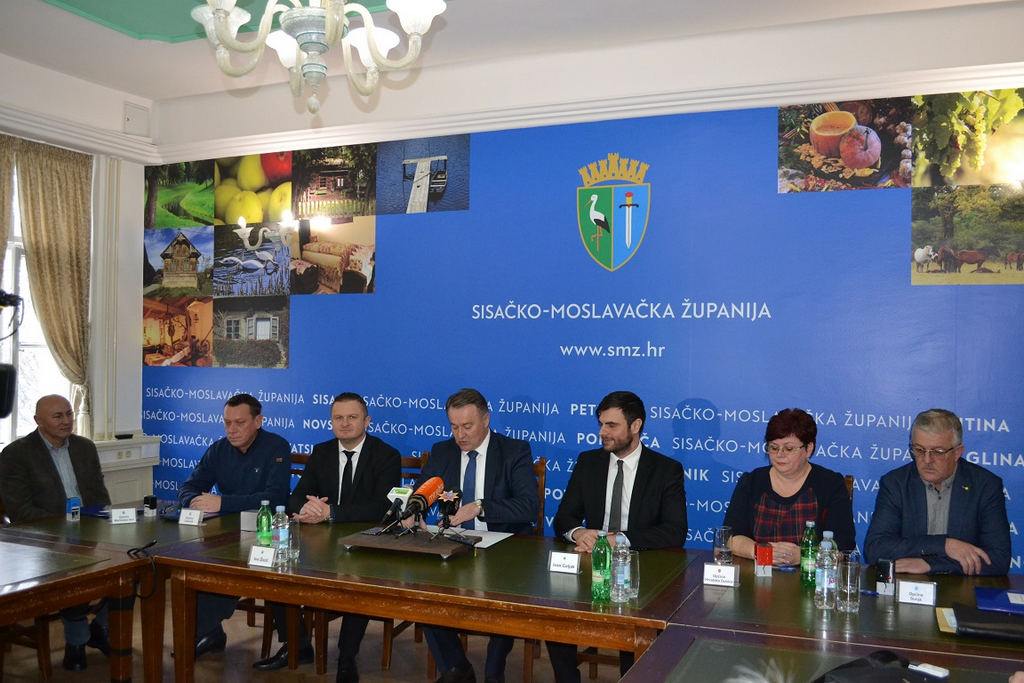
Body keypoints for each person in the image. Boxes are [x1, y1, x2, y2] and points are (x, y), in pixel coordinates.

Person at [253, 392, 400, 683]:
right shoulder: (321, 452)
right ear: (331, 422)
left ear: (367, 421)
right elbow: (295, 497)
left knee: (360, 579)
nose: (344, 423)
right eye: (338, 418)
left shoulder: (386, 455)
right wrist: (307, 508)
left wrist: (331, 512)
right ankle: (297, 645)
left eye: (352, 417)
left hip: (366, 541)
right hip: (320, 539)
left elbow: (384, 507)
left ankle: (347, 656)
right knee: (279, 569)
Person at [546, 390, 686, 683]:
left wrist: (619, 539)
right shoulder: (588, 462)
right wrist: (579, 532)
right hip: (589, 567)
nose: (602, 432)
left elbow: (675, 531)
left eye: (611, 425)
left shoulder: (665, 470)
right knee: (554, 614)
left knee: (635, 631)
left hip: (639, 571)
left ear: (635, 426)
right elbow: (563, 518)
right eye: (601, 424)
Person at [416, 388, 539, 683]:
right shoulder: (443, 451)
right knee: (423, 592)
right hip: (453, 544)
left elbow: (528, 507)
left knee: (504, 595)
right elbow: (424, 490)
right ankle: (456, 668)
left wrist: (480, 507)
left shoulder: (514, 451)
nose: (460, 435)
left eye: (467, 426)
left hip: (503, 547)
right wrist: (414, 509)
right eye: (454, 427)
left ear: (486, 420)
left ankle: (494, 673)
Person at [0, 395, 112, 672]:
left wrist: (103, 525)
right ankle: (77, 641)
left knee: (136, 565)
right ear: (38, 421)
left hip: (89, 529)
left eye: (69, 414)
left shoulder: (85, 447)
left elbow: (99, 495)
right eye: (57, 416)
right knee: (73, 574)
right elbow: (20, 510)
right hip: (42, 539)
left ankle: (100, 628)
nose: (66, 421)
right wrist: (64, 528)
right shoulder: (16, 454)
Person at [178, 393, 291, 657]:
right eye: (227, 423)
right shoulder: (219, 449)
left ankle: (294, 644)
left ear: (258, 421)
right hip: (225, 533)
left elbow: (276, 498)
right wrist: (193, 500)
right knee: (200, 566)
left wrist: (223, 502)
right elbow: (189, 486)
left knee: (250, 568)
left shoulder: (276, 447)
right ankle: (208, 633)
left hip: (265, 534)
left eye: (240, 423)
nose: (232, 429)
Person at [864, 409, 1010, 575]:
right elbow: (875, 549)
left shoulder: (985, 486)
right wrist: (944, 545)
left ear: (957, 452)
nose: (927, 460)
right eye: (919, 450)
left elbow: (998, 559)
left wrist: (931, 565)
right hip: (907, 586)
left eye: (938, 452)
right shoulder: (896, 483)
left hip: (963, 588)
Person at [724, 407, 856, 564]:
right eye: (774, 448)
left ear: (808, 449)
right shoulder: (752, 481)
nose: (780, 454)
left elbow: (843, 545)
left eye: (789, 448)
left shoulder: (830, 484)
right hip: (759, 572)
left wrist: (804, 555)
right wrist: (762, 552)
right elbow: (730, 537)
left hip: (812, 573)